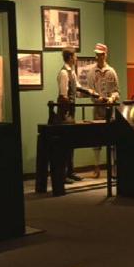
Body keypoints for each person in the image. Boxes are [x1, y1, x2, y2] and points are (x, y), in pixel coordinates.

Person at [91, 42, 119, 177]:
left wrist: (112, 98)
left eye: (101, 55)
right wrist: (96, 98)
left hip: (110, 110)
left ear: (105, 55)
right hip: (97, 109)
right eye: (97, 55)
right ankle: (97, 166)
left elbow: (116, 91)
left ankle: (113, 167)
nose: (98, 57)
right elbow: (90, 90)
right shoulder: (92, 72)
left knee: (112, 140)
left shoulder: (111, 72)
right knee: (96, 138)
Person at [57, 48, 83, 184]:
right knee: (65, 142)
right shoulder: (64, 73)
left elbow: (77, 87)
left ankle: (70, 171)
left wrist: (91, 92)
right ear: (70, 57)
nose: (76, 58)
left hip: (71, 110)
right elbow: (63, 95)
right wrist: (67, 109)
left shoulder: (71, 72)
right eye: (75, 56)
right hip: (65, 111)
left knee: (71, 141)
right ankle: (63, 174)